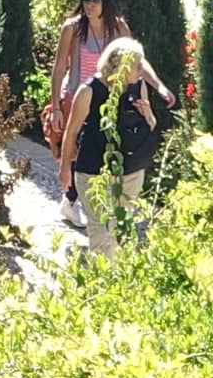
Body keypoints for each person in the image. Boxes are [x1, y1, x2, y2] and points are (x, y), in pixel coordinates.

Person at [65, 35, 173, 248]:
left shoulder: (137, 86)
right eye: (136, 66)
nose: (141, 71)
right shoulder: (89, 91)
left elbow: (149, 128)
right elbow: (72, 131)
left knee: (120, 227)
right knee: (99, 228)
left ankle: (113, 276)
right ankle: (104, 276)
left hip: (131, 171)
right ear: (119, 66)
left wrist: (148, 114)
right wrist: (64, 170)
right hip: (94, 171)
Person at [45, 0, 121, 162]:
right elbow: (59, 67)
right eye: (86, 1)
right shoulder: (73, 28)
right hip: (76, 99)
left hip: (105, 104)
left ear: (105, 3)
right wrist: (56, 108)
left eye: (94, 1)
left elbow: (133, 65)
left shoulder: (119, 29)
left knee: (100, 159)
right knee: (70, 157)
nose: (89, 6)